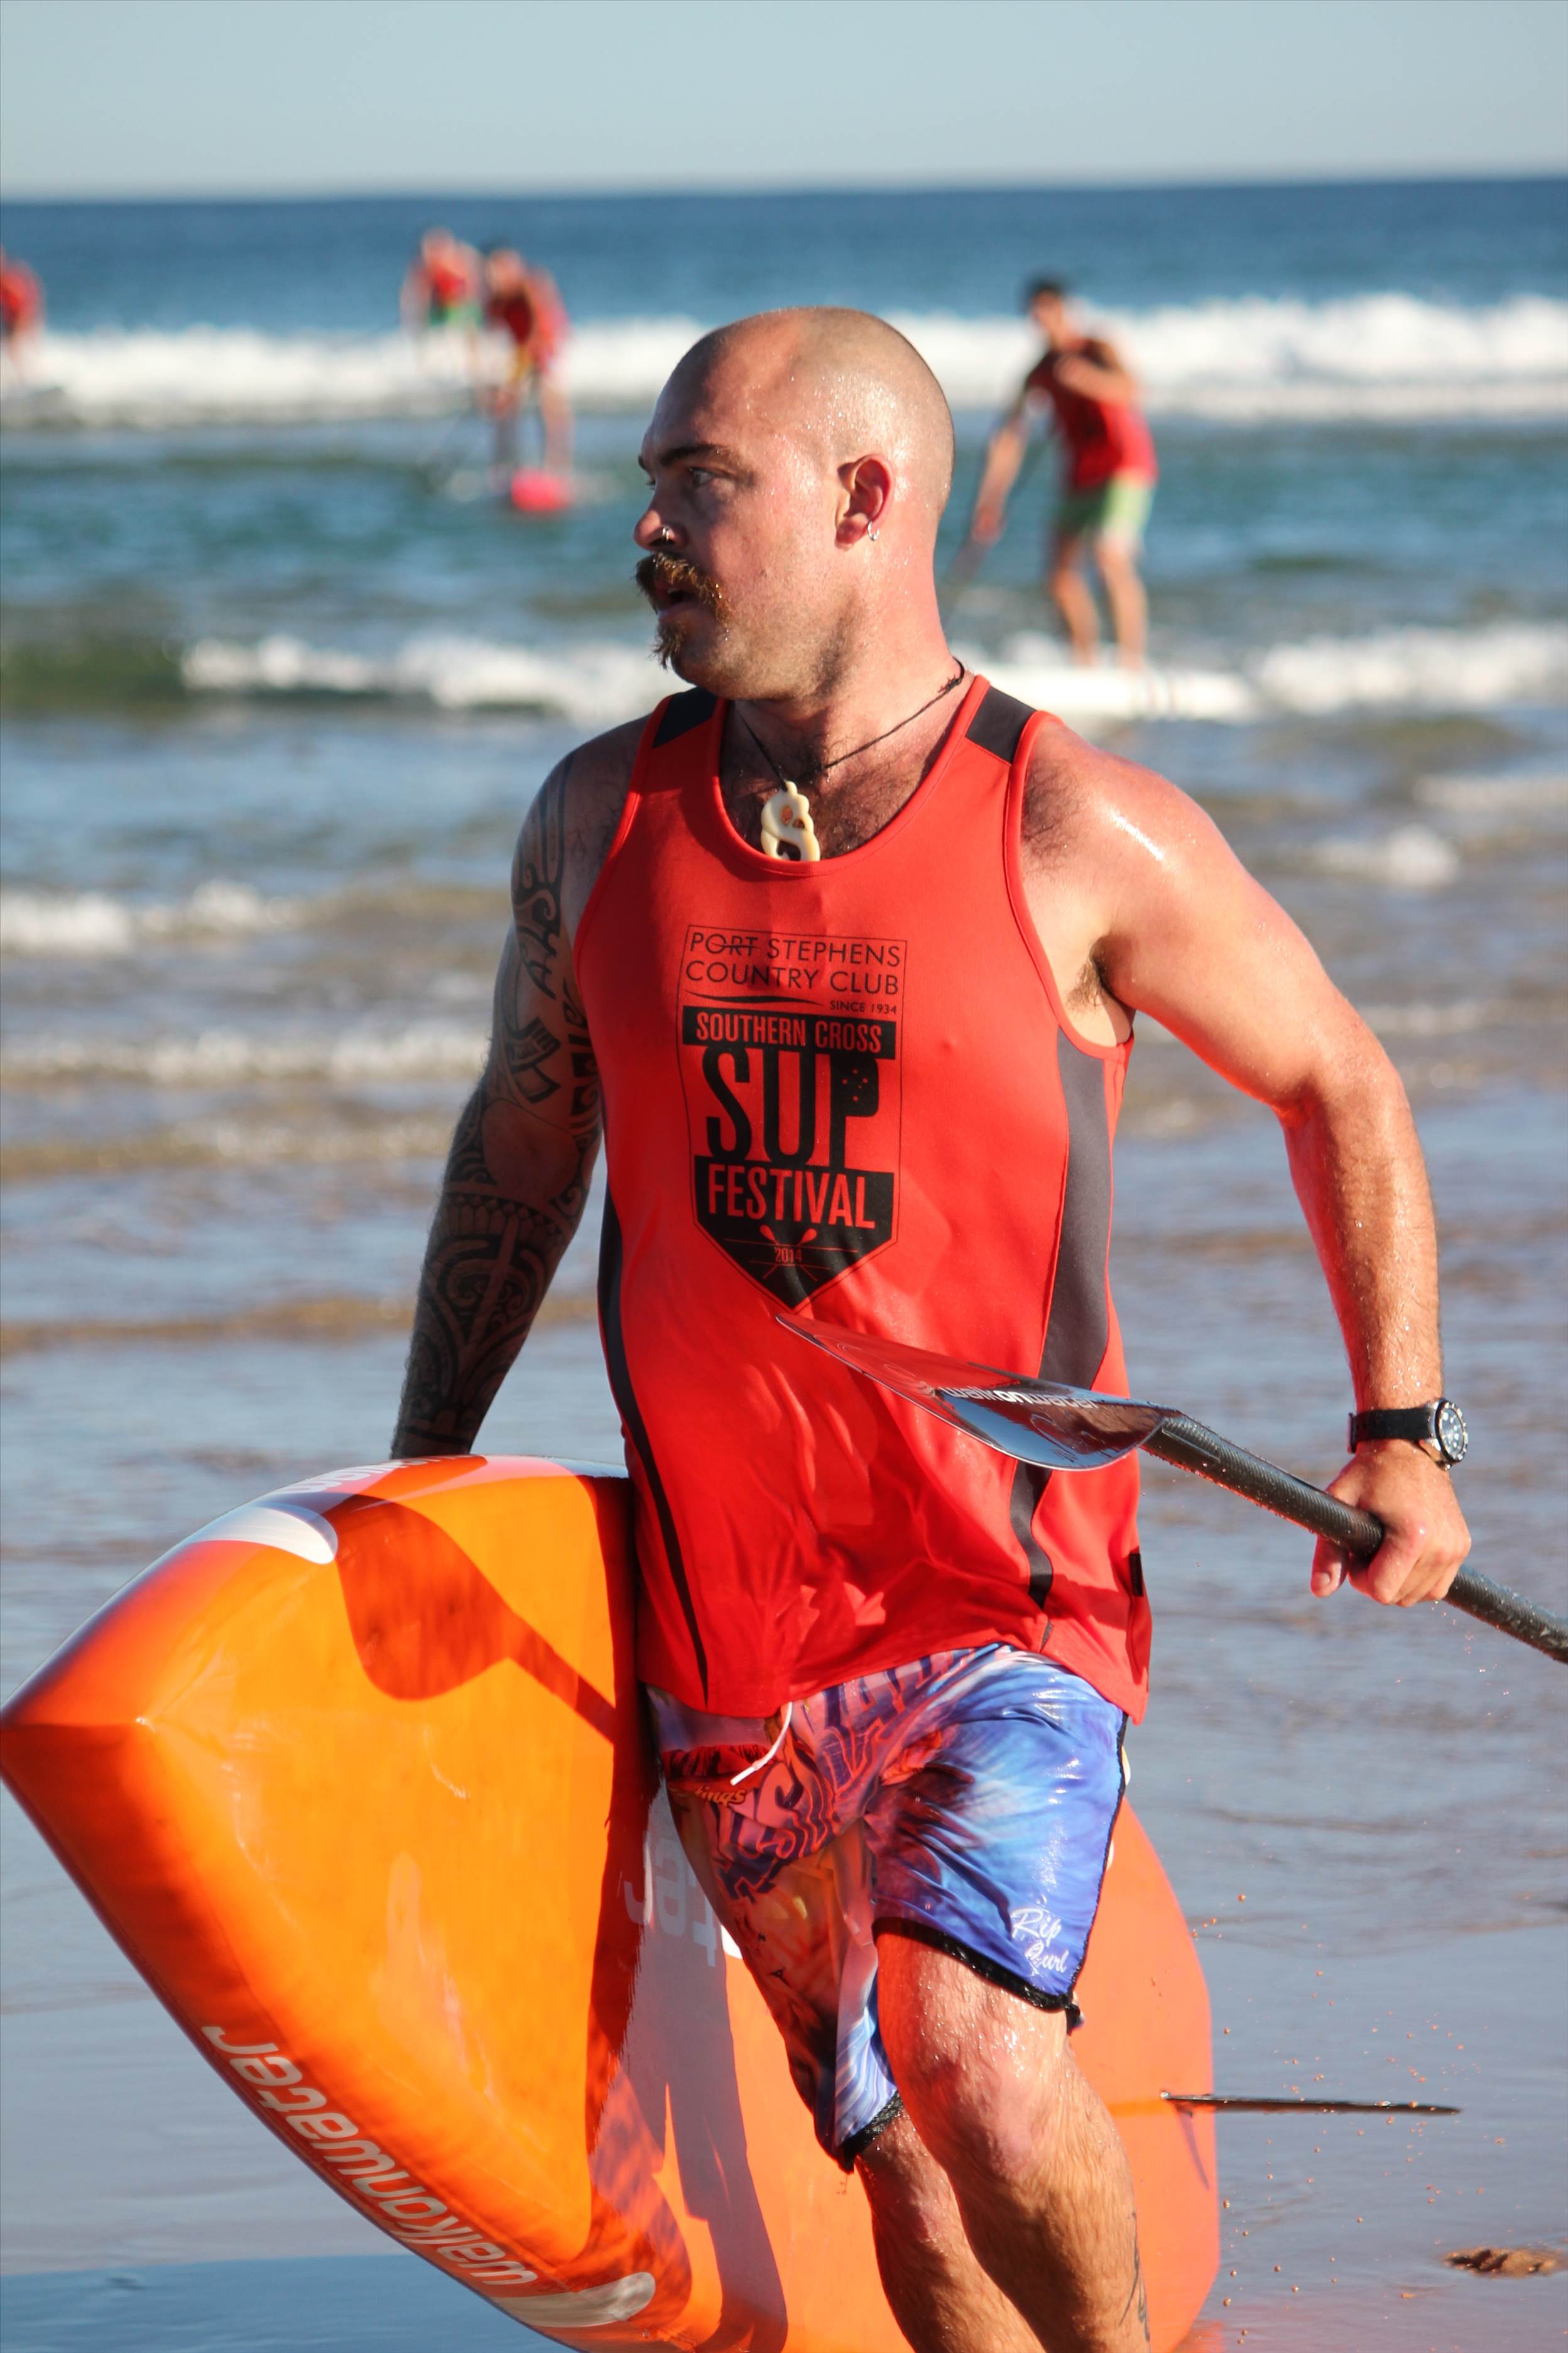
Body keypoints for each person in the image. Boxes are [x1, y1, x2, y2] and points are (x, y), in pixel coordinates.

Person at [391, 307, 1470, 2353]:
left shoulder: (1065, 827)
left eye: (696, 481)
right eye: (649, 479)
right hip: (729, 1639)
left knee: (972, 2061)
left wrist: (1407, 1431)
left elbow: (1338, 1077)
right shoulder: (597, 822)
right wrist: (423, 1462)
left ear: (861, 498)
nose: (645, 525)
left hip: (1005, 1599)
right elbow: (522, 1149)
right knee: (888, 2143)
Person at [967, 280, 1157, 668]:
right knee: (1059, 576)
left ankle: (1130, 663)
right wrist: (990, 500)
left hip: (1124, 468)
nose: (1042, 319)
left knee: (1109, 558)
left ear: (1064, 309)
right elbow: (1009, 437)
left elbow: (1133, 390)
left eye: (1048, 309)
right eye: (1035, 312)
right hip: (1080, 475)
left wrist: (1088, 380)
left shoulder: (1096, 348)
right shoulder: (1040, 372)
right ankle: (1084, 663)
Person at [479, 245, 571, 479]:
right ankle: (505, 467)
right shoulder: (495, 298)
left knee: (549, 404)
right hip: (521, 352)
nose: (494, 279)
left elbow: (541, 327)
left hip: (547, 348)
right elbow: (490, 338)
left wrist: (522, 365)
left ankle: (556, 468)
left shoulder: (531, 284)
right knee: (504, 407)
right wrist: (491, 379)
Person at [400, 226, 482, 346]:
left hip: (461, 308)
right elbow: (413, 298)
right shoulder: (423, 270)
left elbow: (475, 288)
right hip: (439, 310)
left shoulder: (462, 260)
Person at [0, 246, 45, 378]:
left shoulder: (10, 281)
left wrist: (24, 320)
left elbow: (23, 301)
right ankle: (27, 375)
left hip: (21, 315)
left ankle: (28, 376)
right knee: (16, 348)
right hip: (14, 317)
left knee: (17, 348)